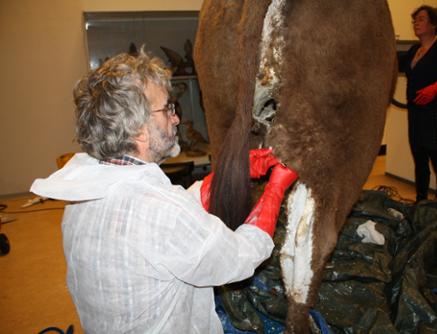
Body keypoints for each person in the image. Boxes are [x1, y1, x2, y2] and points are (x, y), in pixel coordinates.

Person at [30, 49, 297, 333]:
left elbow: (170, 219)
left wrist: (230, 174)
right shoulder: (161, 211)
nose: (176, 119)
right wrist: (276, 189)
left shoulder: (84, 192)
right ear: (138, 130)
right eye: (167, 109)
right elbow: (239, 258)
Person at [398, 5, 437, 202]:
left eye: (422, 19)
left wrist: (433, 89)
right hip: (416, 113)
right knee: (420, 160)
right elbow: (392, 65)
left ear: (434, 24)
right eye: (415, 20)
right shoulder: (414, 50)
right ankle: (421, 201)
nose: (416, 23)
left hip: (436, 113)